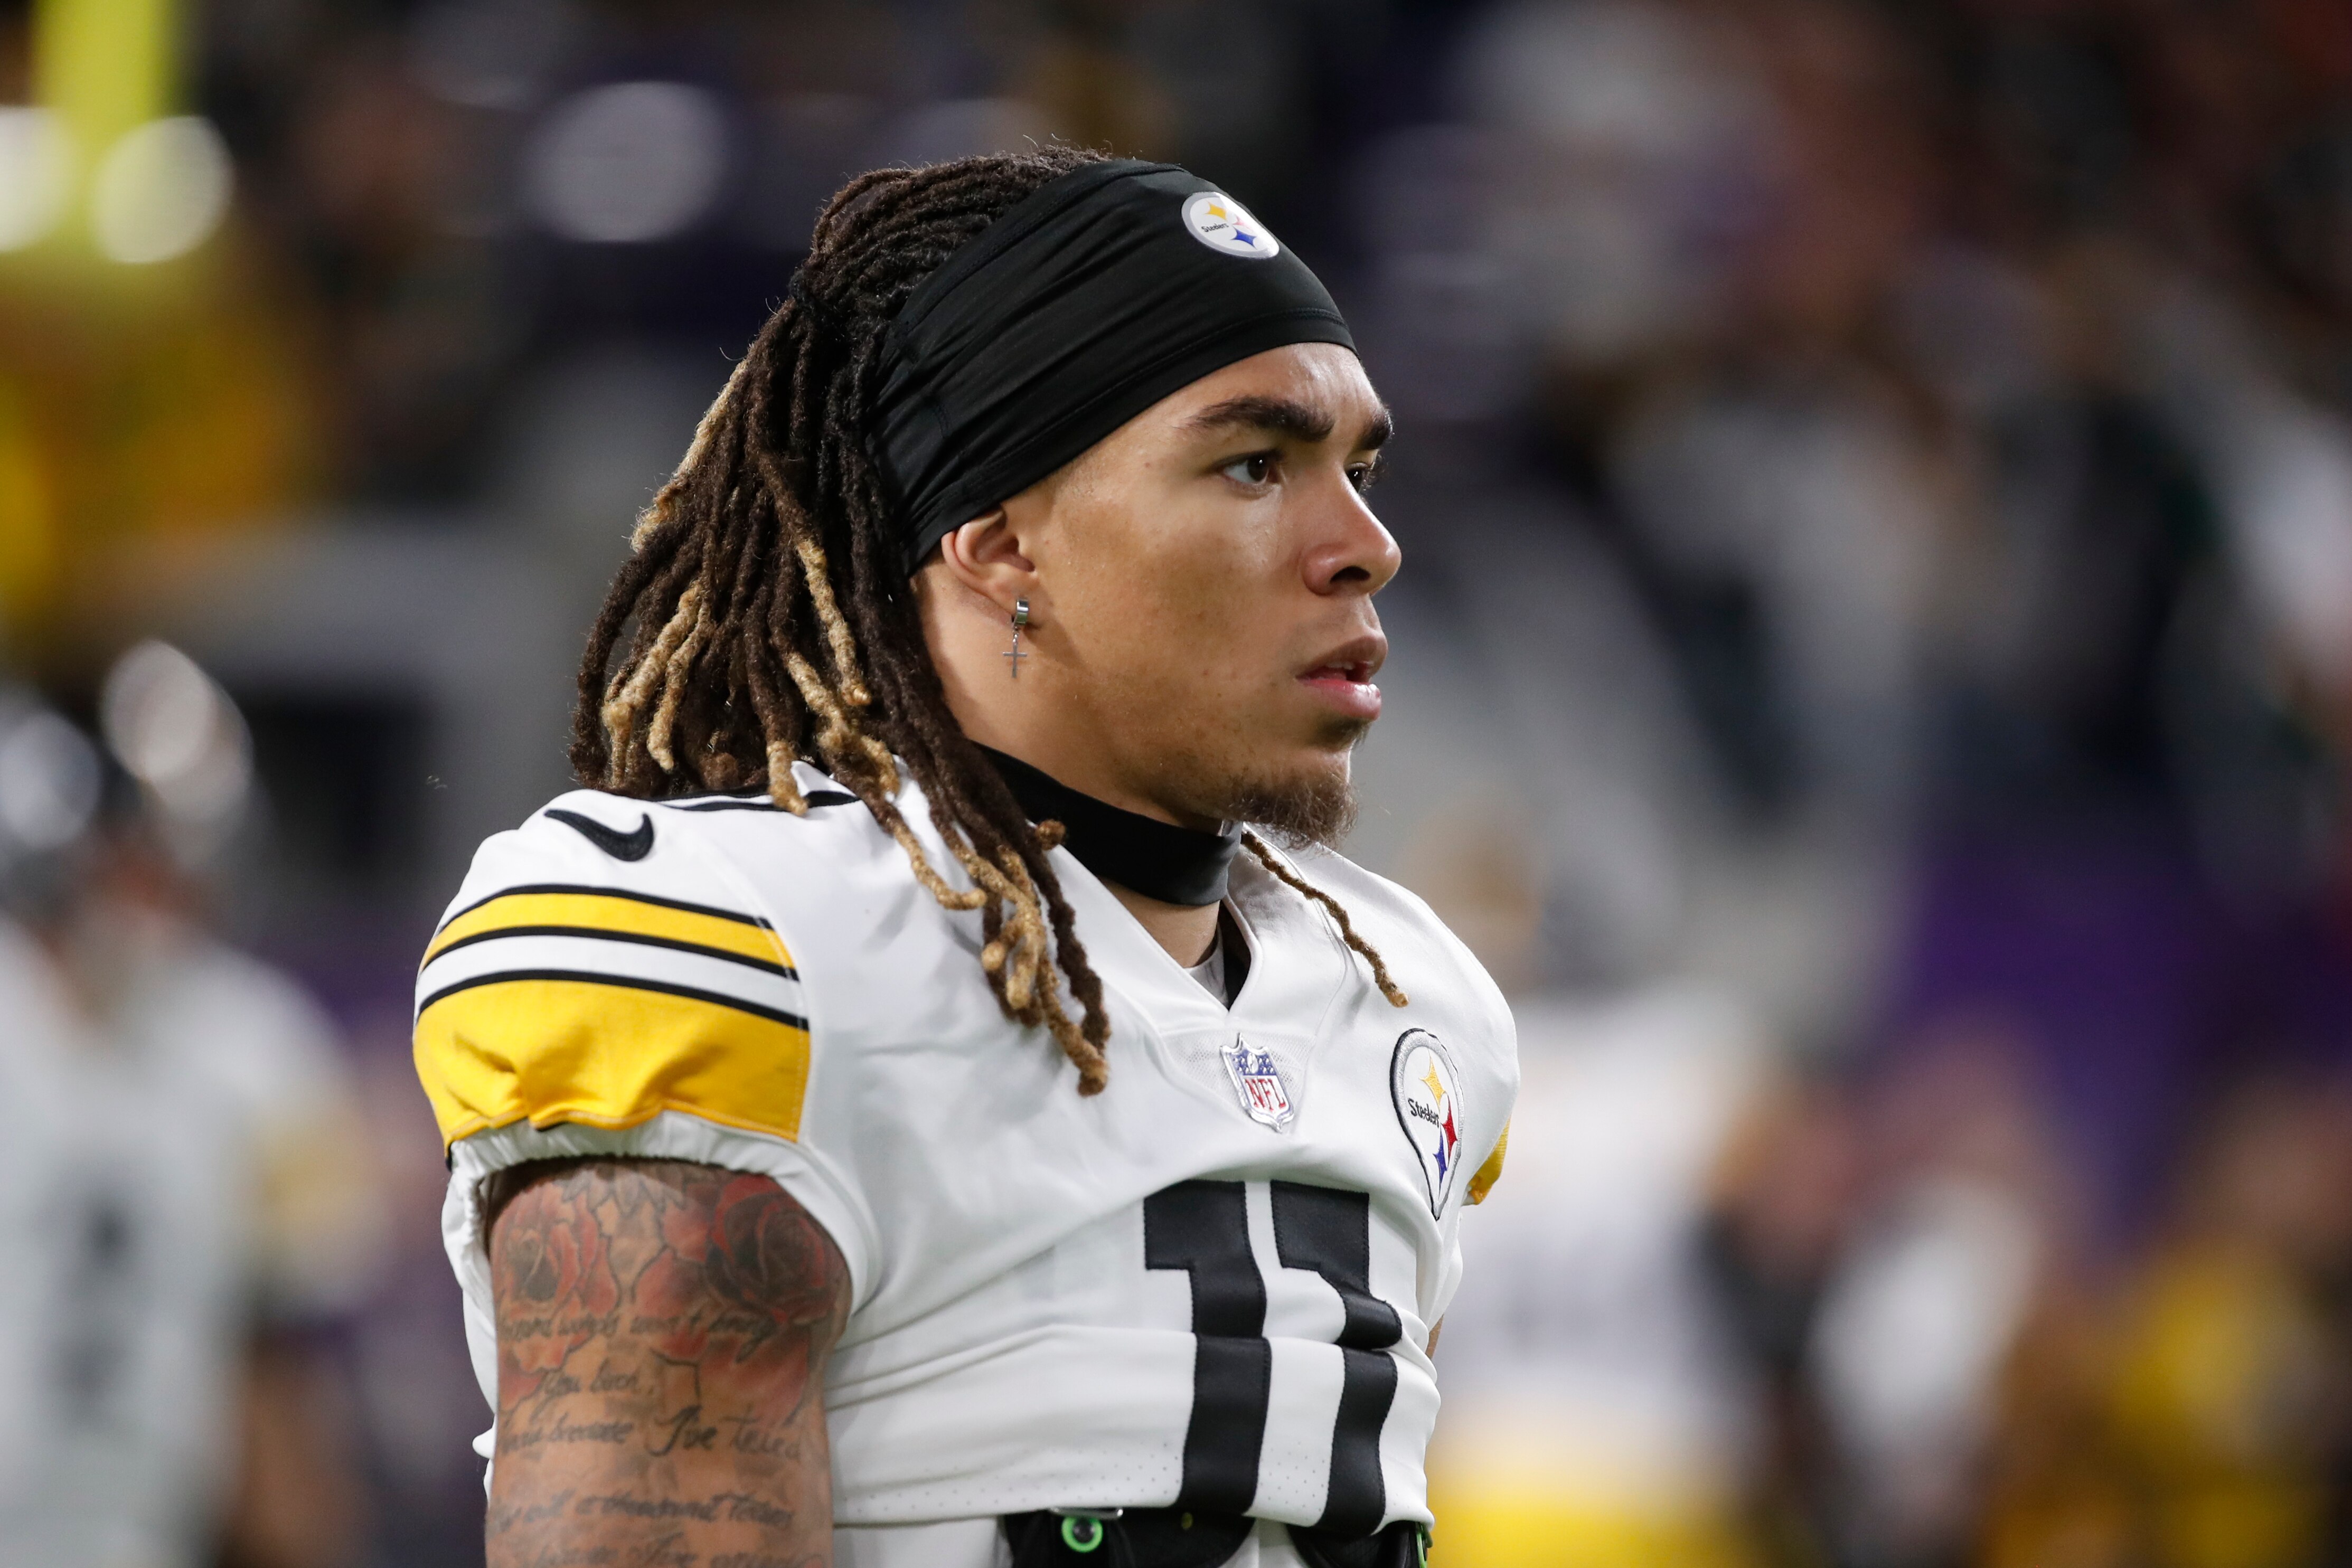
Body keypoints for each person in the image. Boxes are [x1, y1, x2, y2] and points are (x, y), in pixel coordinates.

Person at [413, 147, 1518, 1568]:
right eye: (1255, 463)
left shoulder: (1416, 1003)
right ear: (1001, 545)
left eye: (1356, 468)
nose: (1365, 545)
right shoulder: (747, 944)